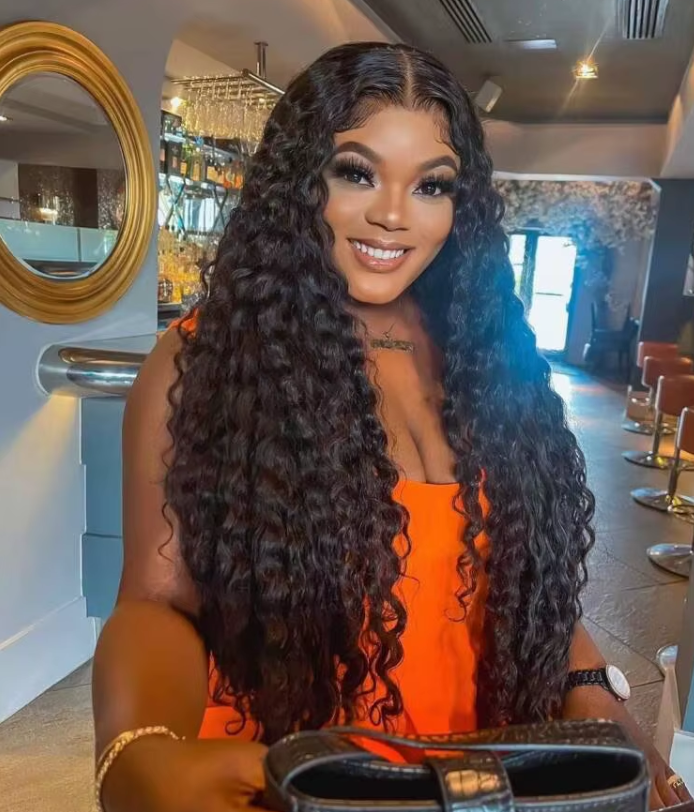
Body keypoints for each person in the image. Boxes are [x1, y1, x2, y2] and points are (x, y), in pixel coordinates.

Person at [93, 42, 691, 812]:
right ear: (300, 179)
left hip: (484, 778)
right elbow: (156, 602)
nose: (394, 215)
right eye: (357, 172)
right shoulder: (210, 357)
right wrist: (137, 750)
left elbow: (522, 569)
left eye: (432, 185)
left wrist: (592, 690)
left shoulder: (488, 351)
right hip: (309, 779)